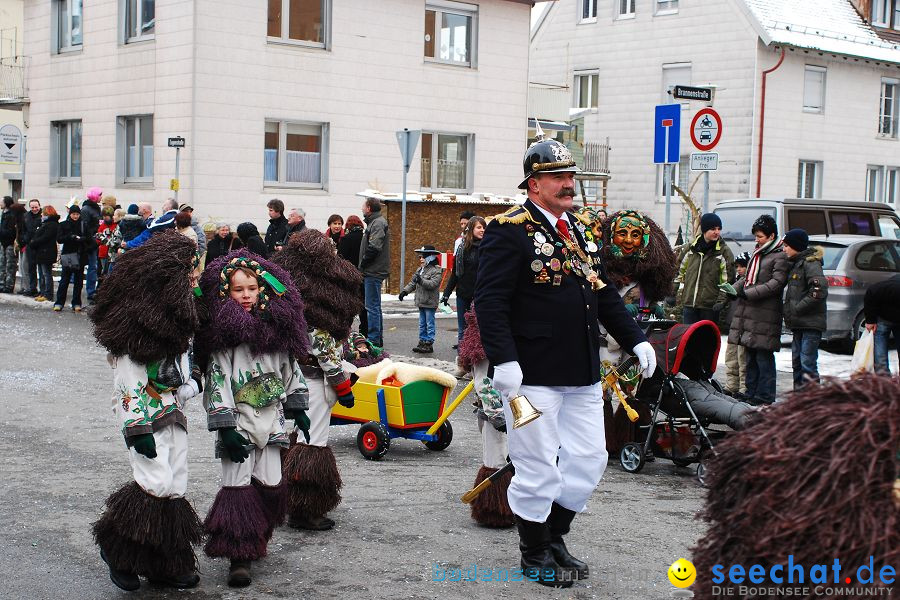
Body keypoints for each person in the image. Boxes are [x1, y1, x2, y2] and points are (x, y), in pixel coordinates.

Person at [474, 135, 654, 588]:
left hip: (581, 371)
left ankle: (554, 535)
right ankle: (534, 551)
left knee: (590, 459)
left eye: (571, 175)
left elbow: (603, 293)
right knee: (535, 464)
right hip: (530, 375)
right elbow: (490, 301)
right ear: (534, 184)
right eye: (557, 176)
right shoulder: (509, 229)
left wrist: (635, 339)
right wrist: (504, 360)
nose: (568, 184)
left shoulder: (579, 230)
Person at [89, 230, 204, 592]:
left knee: (175, 484)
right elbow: (126, 385)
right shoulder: (134, 335)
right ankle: (117, 549)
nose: (195, 281)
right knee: (154, 482)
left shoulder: (177, 326)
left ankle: (163, 562)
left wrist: (192, 382)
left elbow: (180, 373)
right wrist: (136, 429)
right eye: (189, 275)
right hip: (144, 417)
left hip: (173, 413)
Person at [196, 251, 309, 588]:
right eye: (237, 289)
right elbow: (216, 382)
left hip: (272, 424)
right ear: (225, 294)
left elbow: (291, 372)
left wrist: (299, 408)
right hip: (239, 426)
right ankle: (238, 556)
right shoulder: (223, 341)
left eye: (252, 288)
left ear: (263, 290)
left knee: (272, 484)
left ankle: (256, 534)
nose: (245, 295)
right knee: (238, 489)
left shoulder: (277, 334)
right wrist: (226, 426)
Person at [272, 230, 362, 532]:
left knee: (300, 436)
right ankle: (305, 509)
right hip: (315, 382)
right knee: (314, 443)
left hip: (297, 377)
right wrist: (343, 387)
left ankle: (289, 500)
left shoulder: (297, 298)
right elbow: (325, 353)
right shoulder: (318, 306)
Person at [458, 304, 514, 528]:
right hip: (495, 415)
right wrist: (497, 415)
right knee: (497, 458)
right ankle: (495, 510)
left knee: (513, 458)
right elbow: (483, 382)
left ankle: (516, 506)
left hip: (517, 409)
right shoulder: (482, 344)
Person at [727, 214, 788, 405]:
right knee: (750, 356)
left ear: (771, 236)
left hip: (765, 314)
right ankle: (751, 392)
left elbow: (776, 283)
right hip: (751, 312)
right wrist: (733, 290)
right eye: (756, 236)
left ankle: (765, 395)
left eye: (760, 236)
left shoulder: (779, 256)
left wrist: (749, 293)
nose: (756, 240)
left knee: (763, 357)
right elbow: (747, 279)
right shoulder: (758, 252)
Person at [781, 229, 827, 390]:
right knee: (797, 363)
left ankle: (812, 401)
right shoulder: (796, 263)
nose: (784, 249)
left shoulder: (810, 263)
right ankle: (799, 399)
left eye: (787, 245)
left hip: (810, 324)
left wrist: (798, 309)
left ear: (796, 246)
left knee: (807, 362)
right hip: (799, 323)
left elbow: (819, 291)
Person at [673, 213, 735, 325]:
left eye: (719, 229)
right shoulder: (691, 248)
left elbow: (727, 280)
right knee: (688, 338)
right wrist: (672, 292)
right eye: (713, 229)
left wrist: (721, 301)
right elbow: (678, 270)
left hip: (710, 307)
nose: (717, 232)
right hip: (690, 303)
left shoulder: (724, 252)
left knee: (706, 339)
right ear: (704, 230)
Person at [442, 216, 486, 352]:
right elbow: (455, 274)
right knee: (463, 329)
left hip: (481, 295)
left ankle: (477, 363)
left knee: (479, 330)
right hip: (463, 294)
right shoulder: (462, 249)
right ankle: (462, 361)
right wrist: (446, 294)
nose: (483, 230)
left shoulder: (488, 248)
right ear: (471, 229)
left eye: (484, 227)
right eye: (479, 227)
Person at [399, 245, 443, 354]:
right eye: (420, 257)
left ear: (430, 257)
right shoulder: (420, 270)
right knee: (422, 323)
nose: (421, 259)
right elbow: (413, 283)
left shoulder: (436, 270)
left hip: (429, 302)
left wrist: (421, 280)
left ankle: (429, 344)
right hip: (421, 301)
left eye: (424, 256)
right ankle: (422, 342)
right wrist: (405, 291)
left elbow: (433, 284)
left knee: (429, 323)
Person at [359, 197, 389, 347]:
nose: (362, 209)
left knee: (372, 307)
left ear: (369, 208)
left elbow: (374, 247)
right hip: (372, 270)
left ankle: (374, 340)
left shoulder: (377, 223)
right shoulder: (374, 222)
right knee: (374, 306)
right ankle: (377, 338)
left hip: (373, 271)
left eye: (363, 207)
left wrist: (363, 264)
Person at [723, 252, 749, 397]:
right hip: (734, 323)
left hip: (744, 325)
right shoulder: (737, 280)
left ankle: (743, 387)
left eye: (742, 266)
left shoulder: (749, 282)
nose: (739, 269)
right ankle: (731, 385)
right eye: (737, 266)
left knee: (742, 358)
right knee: (731, 356)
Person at [863, 273, 900, 374]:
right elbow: (871, 294)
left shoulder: (883, 288)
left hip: (887, 317)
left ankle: (883, 378)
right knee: (880, 351)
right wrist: (870, 320)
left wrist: (870, 320)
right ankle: (884, 379)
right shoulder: (888, 288)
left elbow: (871, 294)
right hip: (884, 318)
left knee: (880, 352)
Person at [54, 204, 87, 312]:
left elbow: (88, 238)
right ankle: (59, 302)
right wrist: (70, 237)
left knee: (78, 281)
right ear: (70, 214)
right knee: (65, 279)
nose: (75, 216)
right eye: (73, 214)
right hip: (68, 254)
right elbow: (59, 239)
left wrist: (81, 239)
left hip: (80, 254)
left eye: (77, 214)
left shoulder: (83, 224)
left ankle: (76, 303)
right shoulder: (63, 224)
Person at [338, 215, 367, 336]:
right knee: (364, 306)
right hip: (364, 275)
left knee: (349, 305)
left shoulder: (346, 239)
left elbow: (341, 259)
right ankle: (364, 331)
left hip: (350, 277)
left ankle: (345, 331)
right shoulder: (365, 238)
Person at [30, 205, 60, 302]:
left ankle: (48, 294)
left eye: (43, 213)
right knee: (42, 274)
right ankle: (43, 292)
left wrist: (34, 242)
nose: (41, 215)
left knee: (46, 274)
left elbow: (45, 237)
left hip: (46, 252)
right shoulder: (46, 224)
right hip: (42, 252)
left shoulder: (51, 225)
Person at [82, 187, 102, 302]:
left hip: (97, 241)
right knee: (92, 267)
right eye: (100, 195)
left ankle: (94, 290)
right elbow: (85, 227)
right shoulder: (86, 209)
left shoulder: (96, 208)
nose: (101, 197)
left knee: (95, 267)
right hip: (91, 242)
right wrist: (92, 240)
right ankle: (91, 291)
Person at [19, 198, 42, 296]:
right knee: (30, 268)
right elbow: (22, 230)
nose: (34, 209)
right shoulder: (26, 216)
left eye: (36, 207)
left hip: (39, 245)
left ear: (39, 206)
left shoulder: (42, 216)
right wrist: (24, 239)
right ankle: (32, 288)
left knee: (41, 270)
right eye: (32, 207)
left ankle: (42, 290)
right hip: (29, 245)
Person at [0, 196, 23, 293]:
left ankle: (9, 286)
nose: (0, 203)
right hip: (3, 243)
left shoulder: (12, 215)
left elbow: (11, 232)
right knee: (2, 264)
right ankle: (2, 284)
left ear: (6, 203)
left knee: (10, 266)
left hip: (10, 244)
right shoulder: (4, 214)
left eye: (1, 202)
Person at [96, 206, 118, 279]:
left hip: (112, 253)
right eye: (104, 216)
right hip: (103, 252)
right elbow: (98, 239)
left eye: (106, 216)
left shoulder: (116, 225)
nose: (105, 218)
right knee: (104, 272)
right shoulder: (102, 226)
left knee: (111, 272)